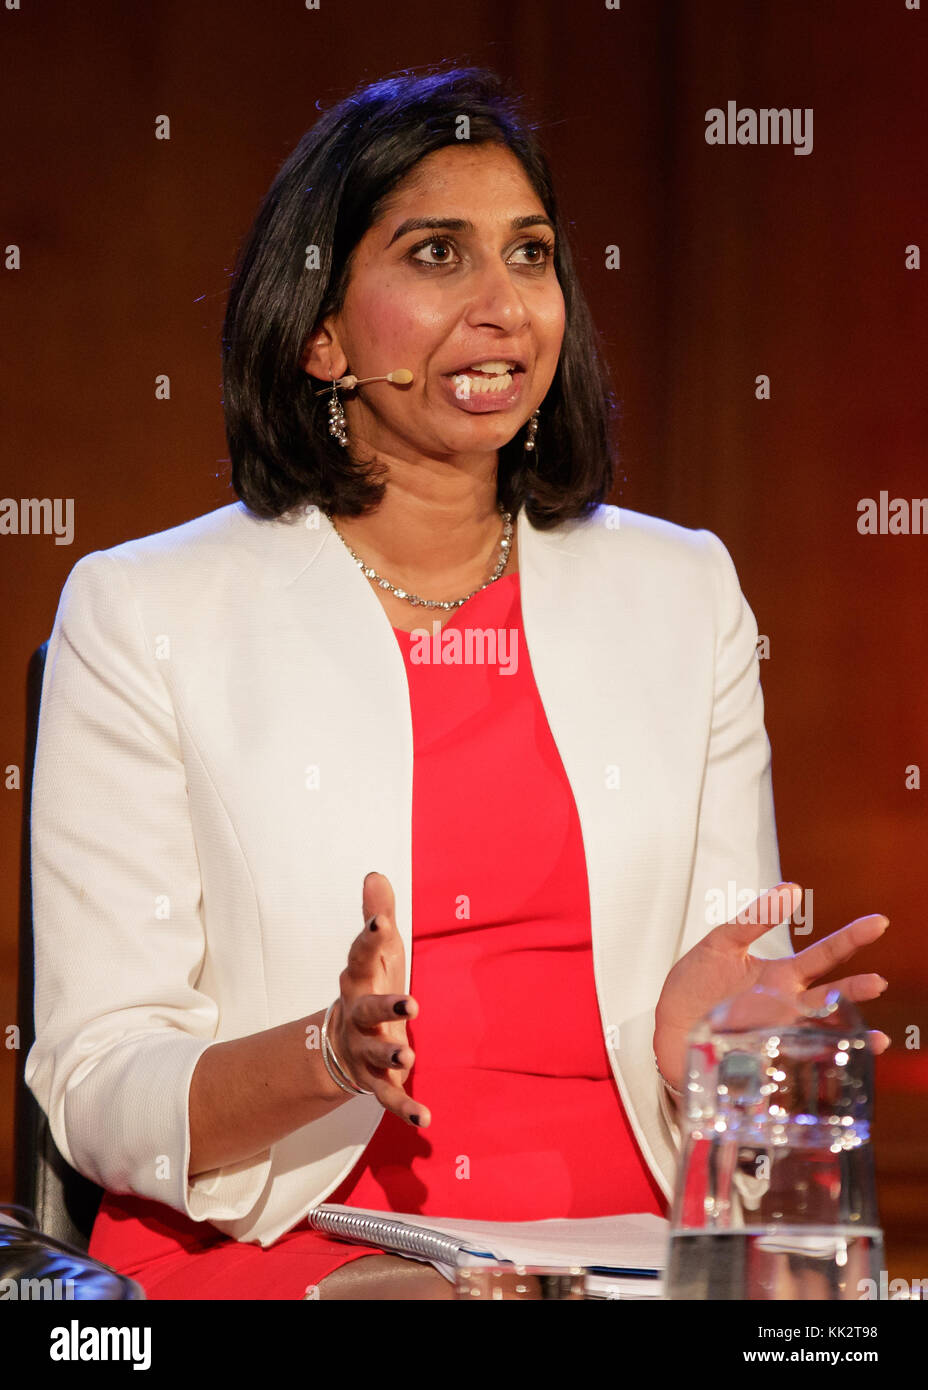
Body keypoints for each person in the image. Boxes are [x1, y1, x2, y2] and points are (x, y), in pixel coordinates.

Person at [25, 65, 890, 1302]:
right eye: (437, 255)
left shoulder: (681, 591)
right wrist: (323, 1054)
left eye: (529, 255)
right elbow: (100, 1078)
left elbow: (721, 1012)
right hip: (286, 1234)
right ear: (320, 331)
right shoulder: (147, 610)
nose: (503, 305)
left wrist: (703, 1051)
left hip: (617, 1247)